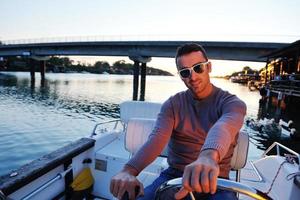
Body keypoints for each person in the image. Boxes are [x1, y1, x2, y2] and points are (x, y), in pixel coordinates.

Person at [110, 43, 247, 200]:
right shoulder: (173, 105)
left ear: (208, 67)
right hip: (174, 176)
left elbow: (224, 127)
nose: (193, 77)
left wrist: (207, 157)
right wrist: (128, 171)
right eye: (185, 72)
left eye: (198, 68)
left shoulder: (232, 103)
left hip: (217, 181)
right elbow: (156, 140)